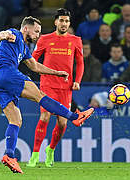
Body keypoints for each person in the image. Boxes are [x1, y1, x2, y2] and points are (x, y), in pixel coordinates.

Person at [0, 16, 94, 174]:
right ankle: (74, 117)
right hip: (7, 73)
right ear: (26, 29)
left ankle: (9, 155)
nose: (38, 35)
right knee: (40, 95)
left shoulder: (24, 48)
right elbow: (2, 34)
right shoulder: (15, 34)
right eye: (36, 31)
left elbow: (34, 66)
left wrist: (56, 73)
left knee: (16, 120)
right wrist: (3, 35)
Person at [26, 8, 87, 168]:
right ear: (55, 22)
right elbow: (33, 59)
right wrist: (33, 71)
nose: (64, 23)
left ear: (69, 23)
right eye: (61, 20)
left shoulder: (76, 40)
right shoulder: (45, 39)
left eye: (66, 21)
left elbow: (80, 63)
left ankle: (51, 149)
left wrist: (77, 81)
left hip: (65, 88)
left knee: (62, 123)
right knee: (44, 117)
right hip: (47, 85)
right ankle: (35, 154)